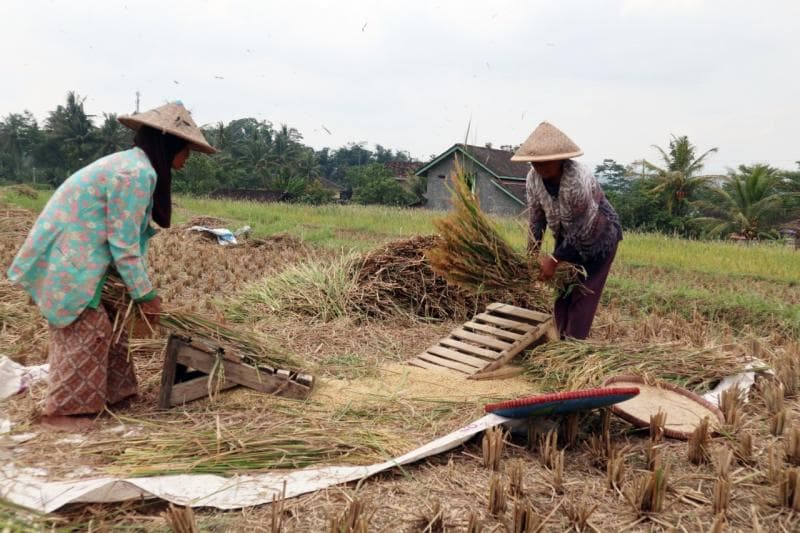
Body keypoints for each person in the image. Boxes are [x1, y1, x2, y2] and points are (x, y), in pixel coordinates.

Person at [7, 101, 216, 431]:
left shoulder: (134, 167)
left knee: (116, 325)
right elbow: (123, 244)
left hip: (87, 262)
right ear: (168, 145)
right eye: (185, 150)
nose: (187, 159)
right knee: (89, 331)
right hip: (72, 264)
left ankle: (118, 394)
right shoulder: (135, 174)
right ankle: (63, 413)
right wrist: (147, 296)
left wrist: (136, 293)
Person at [511, 122, 622, 340]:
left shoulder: (577, 178)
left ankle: (573, 349)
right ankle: (561, 342)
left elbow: (583, 226)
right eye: (535, 161)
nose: (539, 165)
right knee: (562, 295)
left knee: (583, 294)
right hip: (567, 238)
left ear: (561, 158)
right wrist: (531, 256)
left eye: (545, 160)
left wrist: (553, 259)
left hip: (599, 236)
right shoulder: (533, 179)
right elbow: (536, 218)